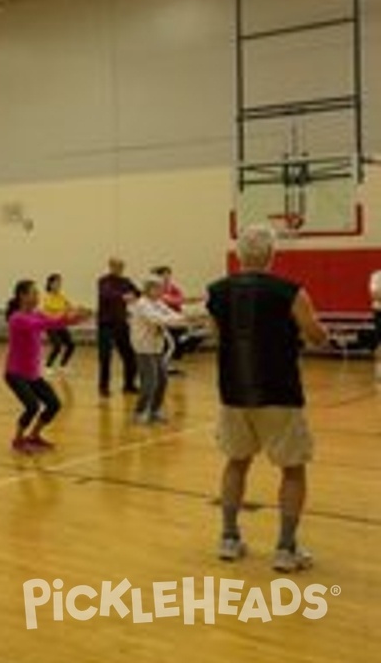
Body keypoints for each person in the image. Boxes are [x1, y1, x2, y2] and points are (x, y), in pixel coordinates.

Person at [207, 225, 329, 573]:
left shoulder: (216, 292)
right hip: (280, 393)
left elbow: (217, 335)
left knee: (236, 462)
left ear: (240, 254)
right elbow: (316, 335)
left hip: (233, 392)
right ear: (272, 254)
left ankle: (229, 538)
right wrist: (320, 335)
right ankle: (286, 548)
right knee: (292, 470)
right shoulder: (290, 292)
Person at [4, 280, 90, 453]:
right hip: (15, 373)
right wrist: (68, 316)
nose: (37, 296)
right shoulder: (17, 318)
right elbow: (42, 325)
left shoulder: (37, 314)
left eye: (37, 293)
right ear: (22, 296)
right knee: (32, 406)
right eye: (33, 293)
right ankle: (18, 440)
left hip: (32, 374)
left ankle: (34, 436)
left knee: (54, 404)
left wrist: (78, 318)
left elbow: (55, 322)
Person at [129, 276, 191, 424]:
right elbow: (158, 319)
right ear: (149, 289)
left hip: (156, 346)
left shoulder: (157, 303)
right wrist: (185, 319)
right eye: (158, 288)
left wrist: (187, 317)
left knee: (162, 380)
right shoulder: (142, 304)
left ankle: (154, 410)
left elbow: (171, 314)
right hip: (144, 347)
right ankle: (140, 412)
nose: (161, 291)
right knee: (150, 381)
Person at [97, 257, 139, 397]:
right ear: (110, 266)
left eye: (121, 266)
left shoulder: (126, 281)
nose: (119, 268)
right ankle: (103, 387)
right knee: (105, 357)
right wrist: (124, 296)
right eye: (116, 266)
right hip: (106, 325)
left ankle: (129, 385)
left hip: (121, 323)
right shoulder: (103, 280)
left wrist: (132, 295)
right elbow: (107, 294)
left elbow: (138, 293)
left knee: (129, 355)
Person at [153, 265, 203, 372]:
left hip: (175, 319)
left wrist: (186, 315)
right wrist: (195, 299)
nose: (167, 277)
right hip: (163, 321)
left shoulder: (173, 288)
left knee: (179, 341)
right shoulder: (157, 290)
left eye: (168, 274)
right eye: (164, 275)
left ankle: (167, 364)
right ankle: (164, 365)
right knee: (170, 344)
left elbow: (180, 300)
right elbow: (175, 301)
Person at [41, 273, 76, 374]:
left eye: (59, 283)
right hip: (51, 326)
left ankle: (63, 365)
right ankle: (48, 366)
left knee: (71, 345)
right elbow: (48, 313)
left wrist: (76, 311)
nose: (58, 285)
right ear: (50, 284)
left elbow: (70, 308)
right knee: (57, 345)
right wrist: (62, 313)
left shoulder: (62, 297)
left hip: (61, 326)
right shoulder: (47, 297)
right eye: (56, 282)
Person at [371, 268, 381, 380]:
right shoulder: (376, 276)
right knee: (380, 342)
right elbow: (375, 295)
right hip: (379, 313)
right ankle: (379, 370)